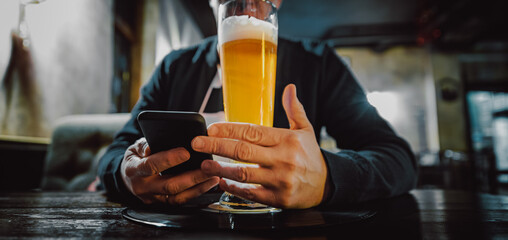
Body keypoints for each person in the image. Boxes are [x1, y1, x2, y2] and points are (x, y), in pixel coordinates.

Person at [98, 0, 417, 209]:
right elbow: (117, 153)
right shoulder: (174, 67)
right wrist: (128, 177)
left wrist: (329, 177)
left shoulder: (319, 64)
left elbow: (397, 158)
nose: (249, 2)